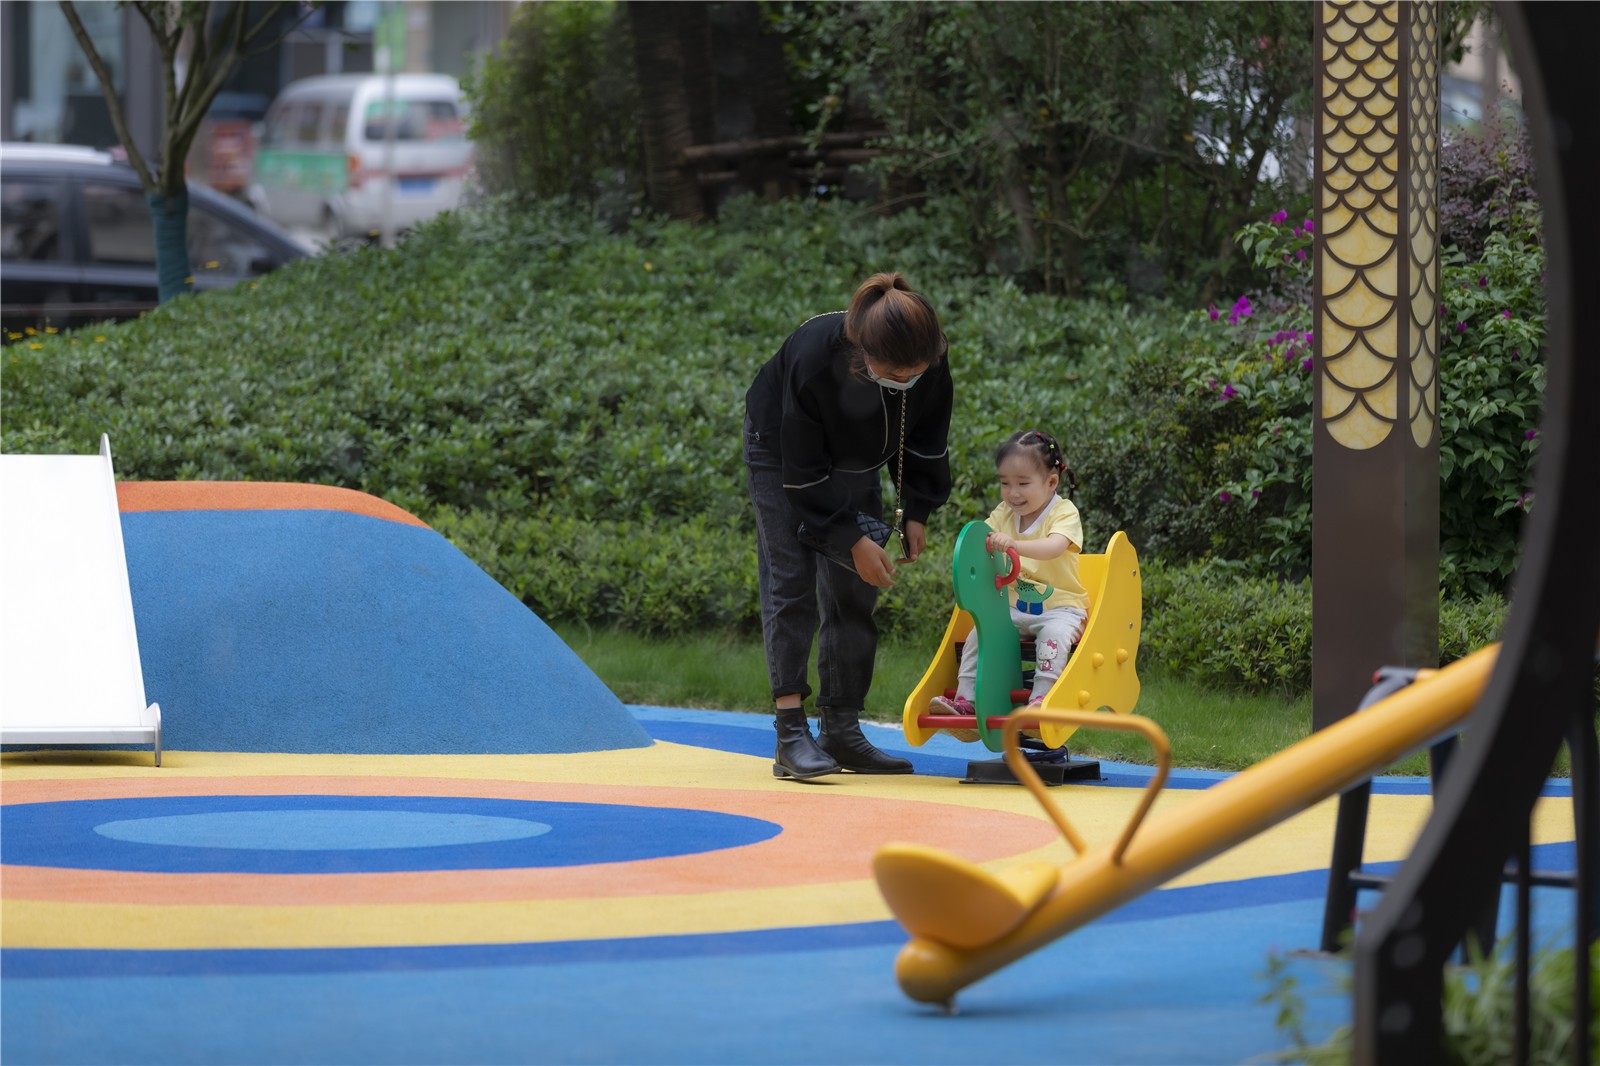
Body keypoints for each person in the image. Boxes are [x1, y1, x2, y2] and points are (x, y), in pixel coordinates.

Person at [743, 272, 954, 781]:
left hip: (857, 462)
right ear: (863, 354)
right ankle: (790, 732)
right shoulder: (816, 357)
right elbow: (806, 473)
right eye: (896, 373)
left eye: (916, 373)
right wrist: (850, 537)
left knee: (855, 589)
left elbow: (927, 435)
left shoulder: (930, 357)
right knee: (790, 582)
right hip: (783, 456)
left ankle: (842, 727)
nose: (907, 381)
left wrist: (916, 509)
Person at [929, 429, 1089, 740]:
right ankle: (967, 700)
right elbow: (981, 541)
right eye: (1005, 483)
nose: (1013, 493)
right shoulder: (1004, 514)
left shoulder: (1063, 512)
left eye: (1023, 483)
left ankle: (1041, 700)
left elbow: (1055, 547)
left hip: (1060, 607)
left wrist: (1013, 545)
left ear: (1051, 482)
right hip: (1015, 607)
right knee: (981, 633)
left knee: (1054, 637)